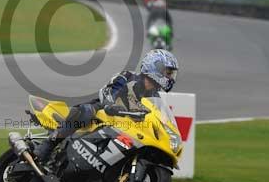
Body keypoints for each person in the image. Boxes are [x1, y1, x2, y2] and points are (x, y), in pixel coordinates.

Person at [33, 49, 179, 163]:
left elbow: (158, 116)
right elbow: (108, 91)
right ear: (155, 66)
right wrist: (111, 105)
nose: (170, 77)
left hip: (127, 127)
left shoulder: (155, 97)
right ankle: (49, 144)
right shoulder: (128, 77)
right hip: (104, 113)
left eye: (171, 74)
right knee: (87, 111)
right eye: (168, 72)